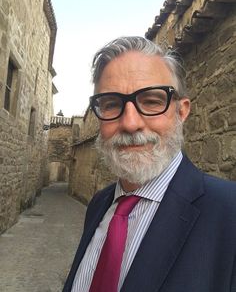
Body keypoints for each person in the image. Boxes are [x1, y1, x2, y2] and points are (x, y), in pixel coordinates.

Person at [63, 36, 236, 292]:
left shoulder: (229, 212)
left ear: (182, 110)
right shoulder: (99, 204)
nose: (131, 123)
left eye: (152, 101)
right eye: (112, 105)